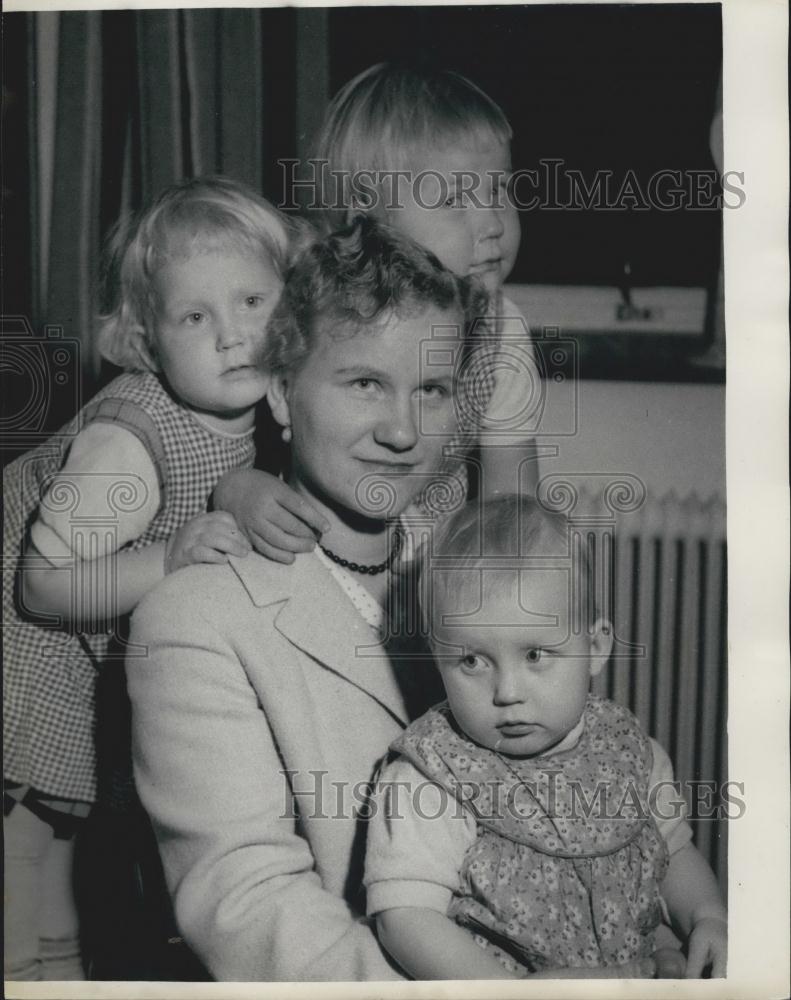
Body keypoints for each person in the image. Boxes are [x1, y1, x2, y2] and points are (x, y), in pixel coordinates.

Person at [125, 216, 491, 981]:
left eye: (431, 389)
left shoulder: (478, 574)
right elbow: (250, 906)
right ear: (284, 396)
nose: (402, 429)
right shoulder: (194, 619)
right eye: (365, 383)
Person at [3, 175, 295, 980]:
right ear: (146, 340)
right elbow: (41, 586)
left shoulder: (253, 410)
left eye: (252, 302)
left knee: (57, 848)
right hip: (21, 651)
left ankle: (58, 981)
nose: (233, 336)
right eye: (195, 317)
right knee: (17, 857)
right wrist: (165, 560)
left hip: (68, 662)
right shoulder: (132, 441)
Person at [364, 495, 728, 981]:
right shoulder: (430, 775)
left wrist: (709, 916)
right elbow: (404, 917)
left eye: (535, 654)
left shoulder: (628, 750)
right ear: (437, 656)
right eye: (471, 660)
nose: (507, 693)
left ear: (595, 647)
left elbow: (674, 854)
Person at [215, 62, 543, 562]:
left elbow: (512, 509)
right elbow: (210, 446)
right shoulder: (303, 312)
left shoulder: (504, 334)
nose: (493, 223)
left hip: (420, 570)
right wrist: (236, 491)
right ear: (367, 218)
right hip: (293, 555)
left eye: (499, 190)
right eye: (456, 197)